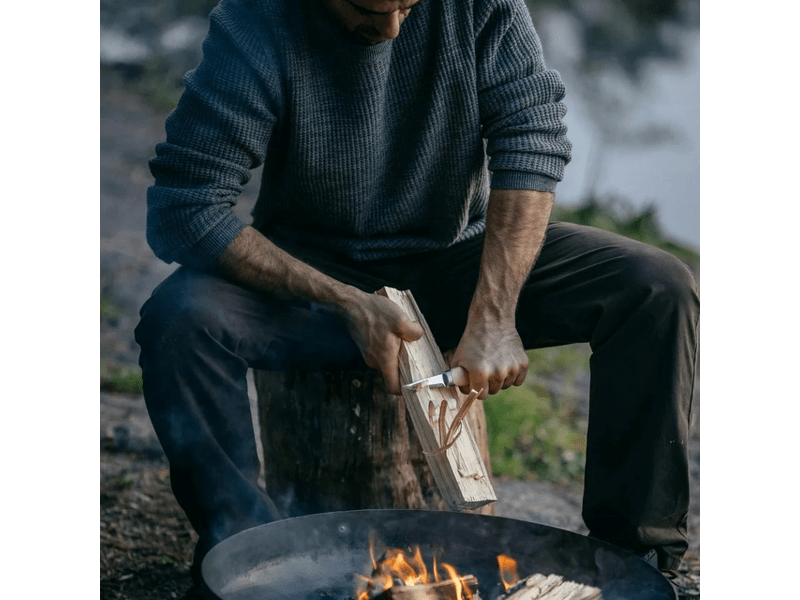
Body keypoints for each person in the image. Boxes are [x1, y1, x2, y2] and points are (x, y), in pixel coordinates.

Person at [134, 0, 699, 592]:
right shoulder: (258, 20)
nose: (391, 29)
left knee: (656, 286)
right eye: (368, 7)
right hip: (308, 283)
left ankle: (633, 561)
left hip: (455, 260)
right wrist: (344, 301)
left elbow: (531, 142)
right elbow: (184, 204)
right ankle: (249, 553)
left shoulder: (484, 7)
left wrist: (493, 315)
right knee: (179, 321)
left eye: (408, 5)